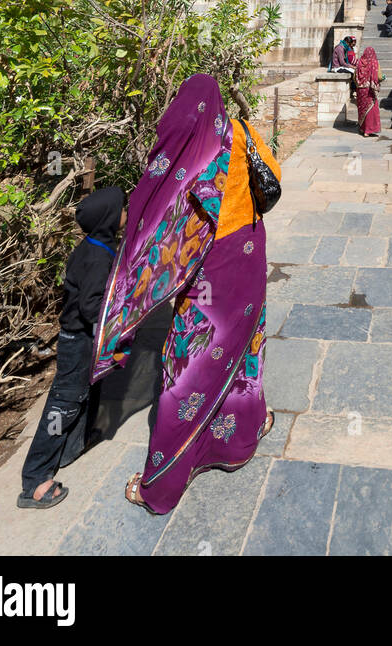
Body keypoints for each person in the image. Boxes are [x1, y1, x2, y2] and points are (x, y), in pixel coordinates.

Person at [90, 74, 280, 516]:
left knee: (188, 372)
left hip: (209, 277)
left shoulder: (188, 155)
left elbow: (160, 224)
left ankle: (161, 486)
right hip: (248, 260)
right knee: (244, 348)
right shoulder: (242, 132)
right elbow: (273, 177)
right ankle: (243, 434)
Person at [17, 187, 126, 509]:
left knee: (86, 392)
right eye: (122, 209)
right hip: (79, 342)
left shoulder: (96, 246)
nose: (125, 214)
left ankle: (72, 447)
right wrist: (119, 320)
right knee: (62, 404)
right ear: (108, 218)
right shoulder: (97, 257)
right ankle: (35, 479)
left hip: (83, 339)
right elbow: (92, 308)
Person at [354, 46, 384, 137]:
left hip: (360, 90)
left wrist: (359, 85)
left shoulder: (359, 63)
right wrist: (382, 79)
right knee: (371, 110)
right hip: (370, 90)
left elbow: (355, 77)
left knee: (362, 109)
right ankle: (368, 130)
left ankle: (363, 128)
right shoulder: (375, 63)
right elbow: (379, 77)